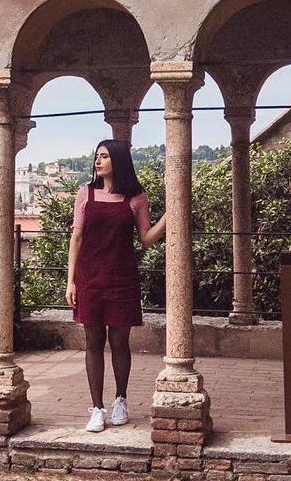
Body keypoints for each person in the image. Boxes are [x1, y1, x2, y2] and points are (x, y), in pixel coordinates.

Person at [65, 139, 167, 432]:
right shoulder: (85, 193)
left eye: (105, 156)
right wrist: (71, 281)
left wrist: (171, 214)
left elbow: (146, 239)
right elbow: (77, 238)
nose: (98, 161)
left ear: (118, 161)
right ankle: (97, 408)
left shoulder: (136, 197)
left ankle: (120, 399)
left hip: (122, 277)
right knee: (93, 342)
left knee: (120, 343)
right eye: (96, 156)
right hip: (89, 277)